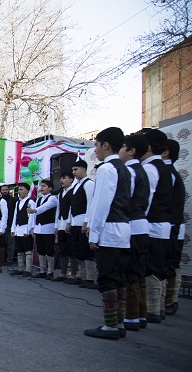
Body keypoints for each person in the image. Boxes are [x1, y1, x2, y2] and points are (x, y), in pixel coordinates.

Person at [84, 127, 132, 340]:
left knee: (108, 278)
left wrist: (94, 235)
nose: (96, 149)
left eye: (96, 144)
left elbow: (102, 204)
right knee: (119, 278)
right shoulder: (125, 169)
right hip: (123, 230)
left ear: (105, 145)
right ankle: (118, 322)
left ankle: (110, 325)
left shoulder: (106, 169)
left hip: (109, 231)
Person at [118, 134, 150, 331]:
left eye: (122, 147)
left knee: (128, 270)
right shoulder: (142, 170)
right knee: (137, 270)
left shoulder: (129, 171)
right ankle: (140, 314)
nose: (119, 151)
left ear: (131, 151)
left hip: (131, 225)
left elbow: (124, 201)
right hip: (140, 225)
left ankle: (130, 316)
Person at [140, 129, 172, 323]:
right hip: (161, 225)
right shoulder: (165, 169)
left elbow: (146, 200)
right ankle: (156, 307)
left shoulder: (151, 168)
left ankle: (152, 309)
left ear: (149, 147)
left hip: (152, 225)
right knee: (157, 266)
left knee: (151, 267)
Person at [163, 139, 185, 316]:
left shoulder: (168, 174)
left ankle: (170, 301)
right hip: (168, 225)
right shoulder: (165, 172)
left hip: (171, 226)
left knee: (170, 263)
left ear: (165, 152)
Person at [70, 160, 97, 288]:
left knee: (86, 250)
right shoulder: (76, 186)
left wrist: (87, 222)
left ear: (84, 170)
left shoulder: (89, 184)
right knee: (78, 250)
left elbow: (91, 204)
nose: (74, 173)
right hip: (75, 222)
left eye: (76, 170)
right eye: (73, 170)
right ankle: (82, 276)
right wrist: (69, 223)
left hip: (84, 222)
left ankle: (90, 278)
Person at [28, 180, 57, 279]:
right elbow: (34, 216)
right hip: (39, 228)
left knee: (49, 249)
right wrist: (33, 228)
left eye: (44, 186)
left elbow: (45, 207)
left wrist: (35, 210)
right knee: (40, 250)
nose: (42, 188)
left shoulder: (52, 198)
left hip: (48, 227)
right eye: (41, 186)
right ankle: (42, 270)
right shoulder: (38, 200)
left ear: (50, 188)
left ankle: (50, 272)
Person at [9, 182, 35, 277]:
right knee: (19, 250)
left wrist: (28, 230)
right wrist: (13, 229)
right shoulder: (18, 203)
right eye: (18, 190)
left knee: (27, 249)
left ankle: (28, 270)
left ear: (27, 191)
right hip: (18, 229)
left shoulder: (30, 202)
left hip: (25, 228)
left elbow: (31, 217)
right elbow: (15, 216)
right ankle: (21, 269)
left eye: (21, 189)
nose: (19, 192)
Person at [53, 172, 75, 282]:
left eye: (64, 178)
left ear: (71, 180)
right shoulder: (61, 193)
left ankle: (73, 274)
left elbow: (72, 208)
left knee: (72, 249)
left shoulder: (73, 190)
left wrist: (69, 222)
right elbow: (58, 209)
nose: (61, 180)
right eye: (61, 178)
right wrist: (56, 225)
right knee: (63, 249)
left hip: (69, 223)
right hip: (61, 223)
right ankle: (63, 273)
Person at [1, 184, 17, 264]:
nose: (4, 191)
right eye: (3, 190)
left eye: (6, 190)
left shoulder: (14, 200)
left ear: (9, 190)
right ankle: (2, 259)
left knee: (10, 243)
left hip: (10, 224)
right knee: (2, 244)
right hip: (1, 225)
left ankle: (9, 260)